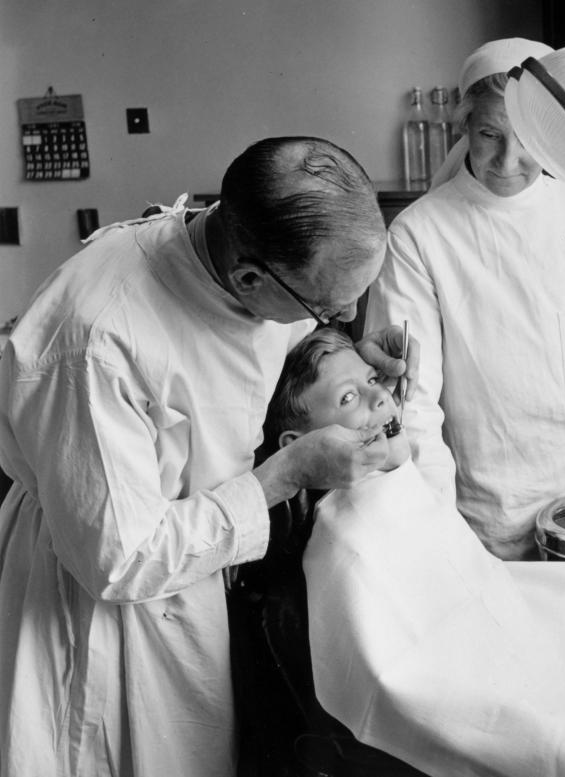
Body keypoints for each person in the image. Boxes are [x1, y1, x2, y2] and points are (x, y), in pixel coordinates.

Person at [0, 137, 417, 777]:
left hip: (198, 558)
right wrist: (286, 476)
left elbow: (268, 342)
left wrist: (350, 347)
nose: (347, 312)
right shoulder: (95, 342)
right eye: (328, 305)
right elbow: (117, 560)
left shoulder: (230, 256)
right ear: (249, 278)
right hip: (111, 602)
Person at [265, 327, 565, 777]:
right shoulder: (346, 546)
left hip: (531, 684)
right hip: (504, 728)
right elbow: (398, 690)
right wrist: (538, 742)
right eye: (349, 398)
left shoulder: (400, 490)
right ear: (296, 446)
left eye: (373, 380)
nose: (378, 396)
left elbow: (479, 602)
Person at [363, 38, 565, 566]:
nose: (508, 160)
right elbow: (413, 400)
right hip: (496, 506)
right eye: (489, 135)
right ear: (464, 128)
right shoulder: (419, 235)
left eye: (527, 140)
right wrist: (435, 517)